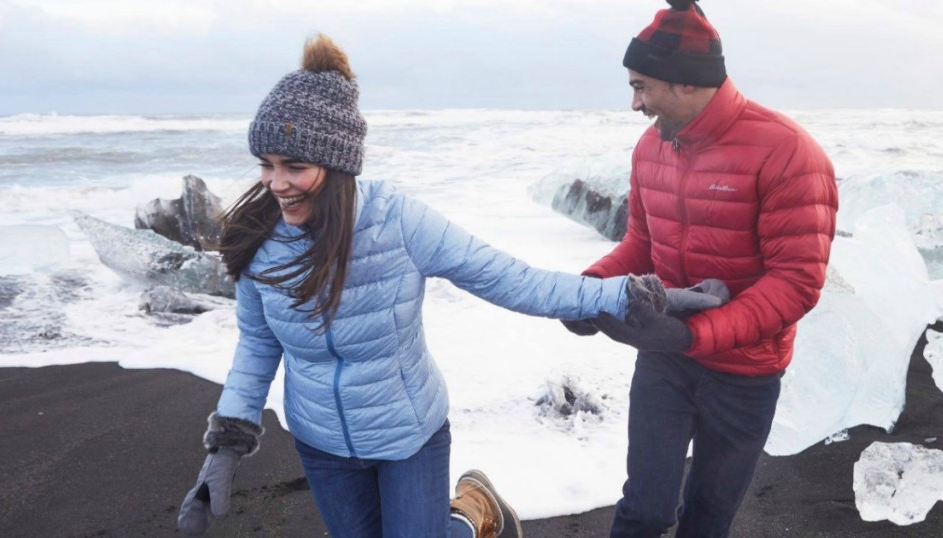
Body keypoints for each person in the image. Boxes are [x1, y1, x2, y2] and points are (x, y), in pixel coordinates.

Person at [175, 33, 671, 538]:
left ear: (339, 164)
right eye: (267, 165)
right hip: (320, 439)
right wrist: (227, 443)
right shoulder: (260, 239)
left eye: (294, 167)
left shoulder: (399, 223)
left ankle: (469, 511)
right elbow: (259, 342)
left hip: (407, 434)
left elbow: (513, 280)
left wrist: (624, 293)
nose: (275, 183)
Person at [561, 1, 839, 536]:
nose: (635, 104)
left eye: (642, 87)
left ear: (687, 84)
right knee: (643, 509)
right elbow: (642, 242)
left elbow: (796, 284)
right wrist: (591, 287)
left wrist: (690, 334)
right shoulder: (650, 148)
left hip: (746, 372)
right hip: (666, 362)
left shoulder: (787, 153)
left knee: (707, 520)